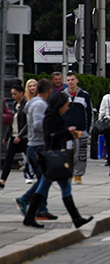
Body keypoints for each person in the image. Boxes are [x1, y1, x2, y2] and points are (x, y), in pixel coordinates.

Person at [22, 92, 93, 229]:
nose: (67, 108)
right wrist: (67, 132)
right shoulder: (50, 117)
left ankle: (30, 216)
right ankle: (76, 218)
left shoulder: (57, 116)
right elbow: (50, 137)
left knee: (46, 187)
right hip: (53, 157)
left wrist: (70, 135)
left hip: (55, 156)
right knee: (60, 187)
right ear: (59, 104)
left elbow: (58, 136)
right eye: (66, 105)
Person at [15, 78, 58, 221]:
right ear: (49, 90)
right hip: (38, 145)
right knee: (45, 179)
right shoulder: (39, 104)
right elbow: (39, 124)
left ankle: (41, 209)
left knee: (43, 178)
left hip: (34, 145)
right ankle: (24, 200)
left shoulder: (32, 103)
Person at [63, 72, 93, 184]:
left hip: (81, 130)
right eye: (68, 80)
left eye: (72, 79)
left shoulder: (84, 95)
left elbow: (89, 113)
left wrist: (88, 129)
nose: (70, 82)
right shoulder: (63, 95)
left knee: (81, 153)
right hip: (67, 131)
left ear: (77, 81)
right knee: (68, 153)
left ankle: (78, 175)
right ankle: (68, 174)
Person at [1, 84, 28, 188]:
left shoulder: (26, 105)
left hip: (24, 138)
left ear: (21, 93)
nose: (13, 96)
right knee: (8, 159)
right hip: (13, 136)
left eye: (15, 94)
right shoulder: (14, 104)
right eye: (12, 94)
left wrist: (20, 136)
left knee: (32, 160)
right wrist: (6, 137)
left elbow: (28, 123)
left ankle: (36, 177)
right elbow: (12, 122)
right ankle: (2, 180)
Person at [21, 79, 38, 183]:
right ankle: (28, 173)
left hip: (35, 131)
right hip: (26, 131)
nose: (32, 88)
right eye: (30, 86)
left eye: (34, 86)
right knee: (26, 154)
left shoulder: (39, 99)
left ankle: (33, 172)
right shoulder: (25, 100)